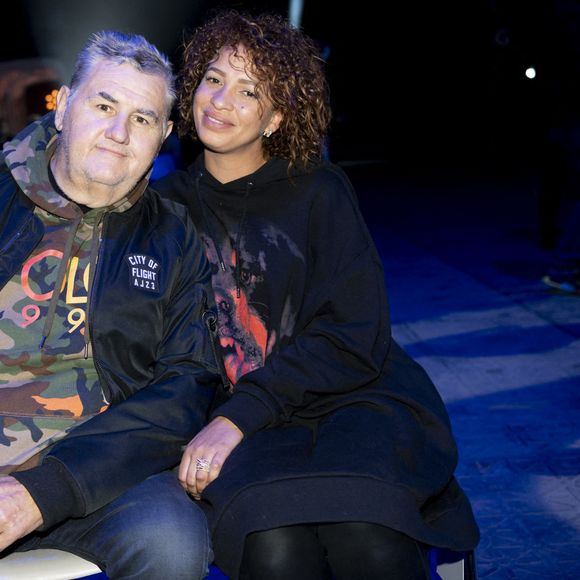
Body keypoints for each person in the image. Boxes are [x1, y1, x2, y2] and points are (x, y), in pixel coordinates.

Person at [155, 10, 480, 580]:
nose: (221, 100)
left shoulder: (318, 190)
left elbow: (355, 332)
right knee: (273, 545)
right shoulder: (163, 207)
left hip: (354, 399)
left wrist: (239, 418)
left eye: (249, 90)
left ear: (276, 116)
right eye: (213, 78)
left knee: (369, 537)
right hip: (238, 418)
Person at [0, 30, 223, 579]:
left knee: (171, 541)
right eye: (104, 105)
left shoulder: (171, 236)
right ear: (65, 107)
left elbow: (188, 383)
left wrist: (44, 490)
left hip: (94, 471)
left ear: (165, 135)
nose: (119, 133)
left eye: (143, 118)